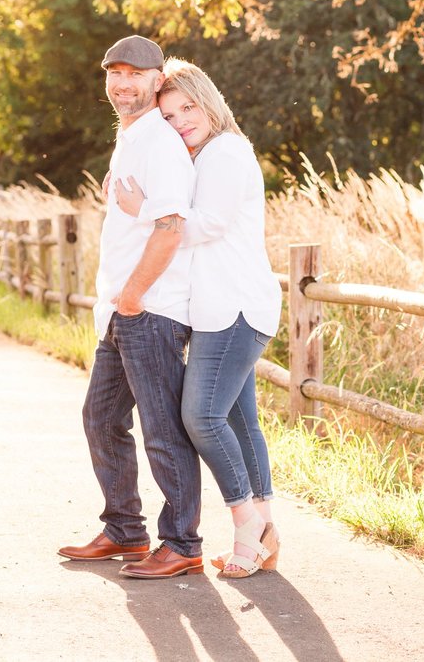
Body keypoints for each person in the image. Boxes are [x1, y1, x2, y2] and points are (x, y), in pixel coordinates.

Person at [116, 58, 282, 578]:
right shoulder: (208, 155)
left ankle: (245, 524)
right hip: (228, 307)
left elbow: (206, 225)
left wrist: (145, 209)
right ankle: (266, 531)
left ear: (208, 101)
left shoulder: (226, 152)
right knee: (238, 419)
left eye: (188, 107)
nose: (181, 120)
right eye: (168, 116)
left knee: (202, 417)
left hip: (233, 307)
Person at [58, 36, 205, 580]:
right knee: (101, 419)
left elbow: (171, 227)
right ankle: (125, 529)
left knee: (162, 430)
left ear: (157, 79)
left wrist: (135, 297)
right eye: (114, 73)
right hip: (123, 313)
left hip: (149, 309)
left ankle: (183, 543)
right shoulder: (131, 138)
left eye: (136, 74)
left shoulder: (159, 142)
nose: (124, 82)